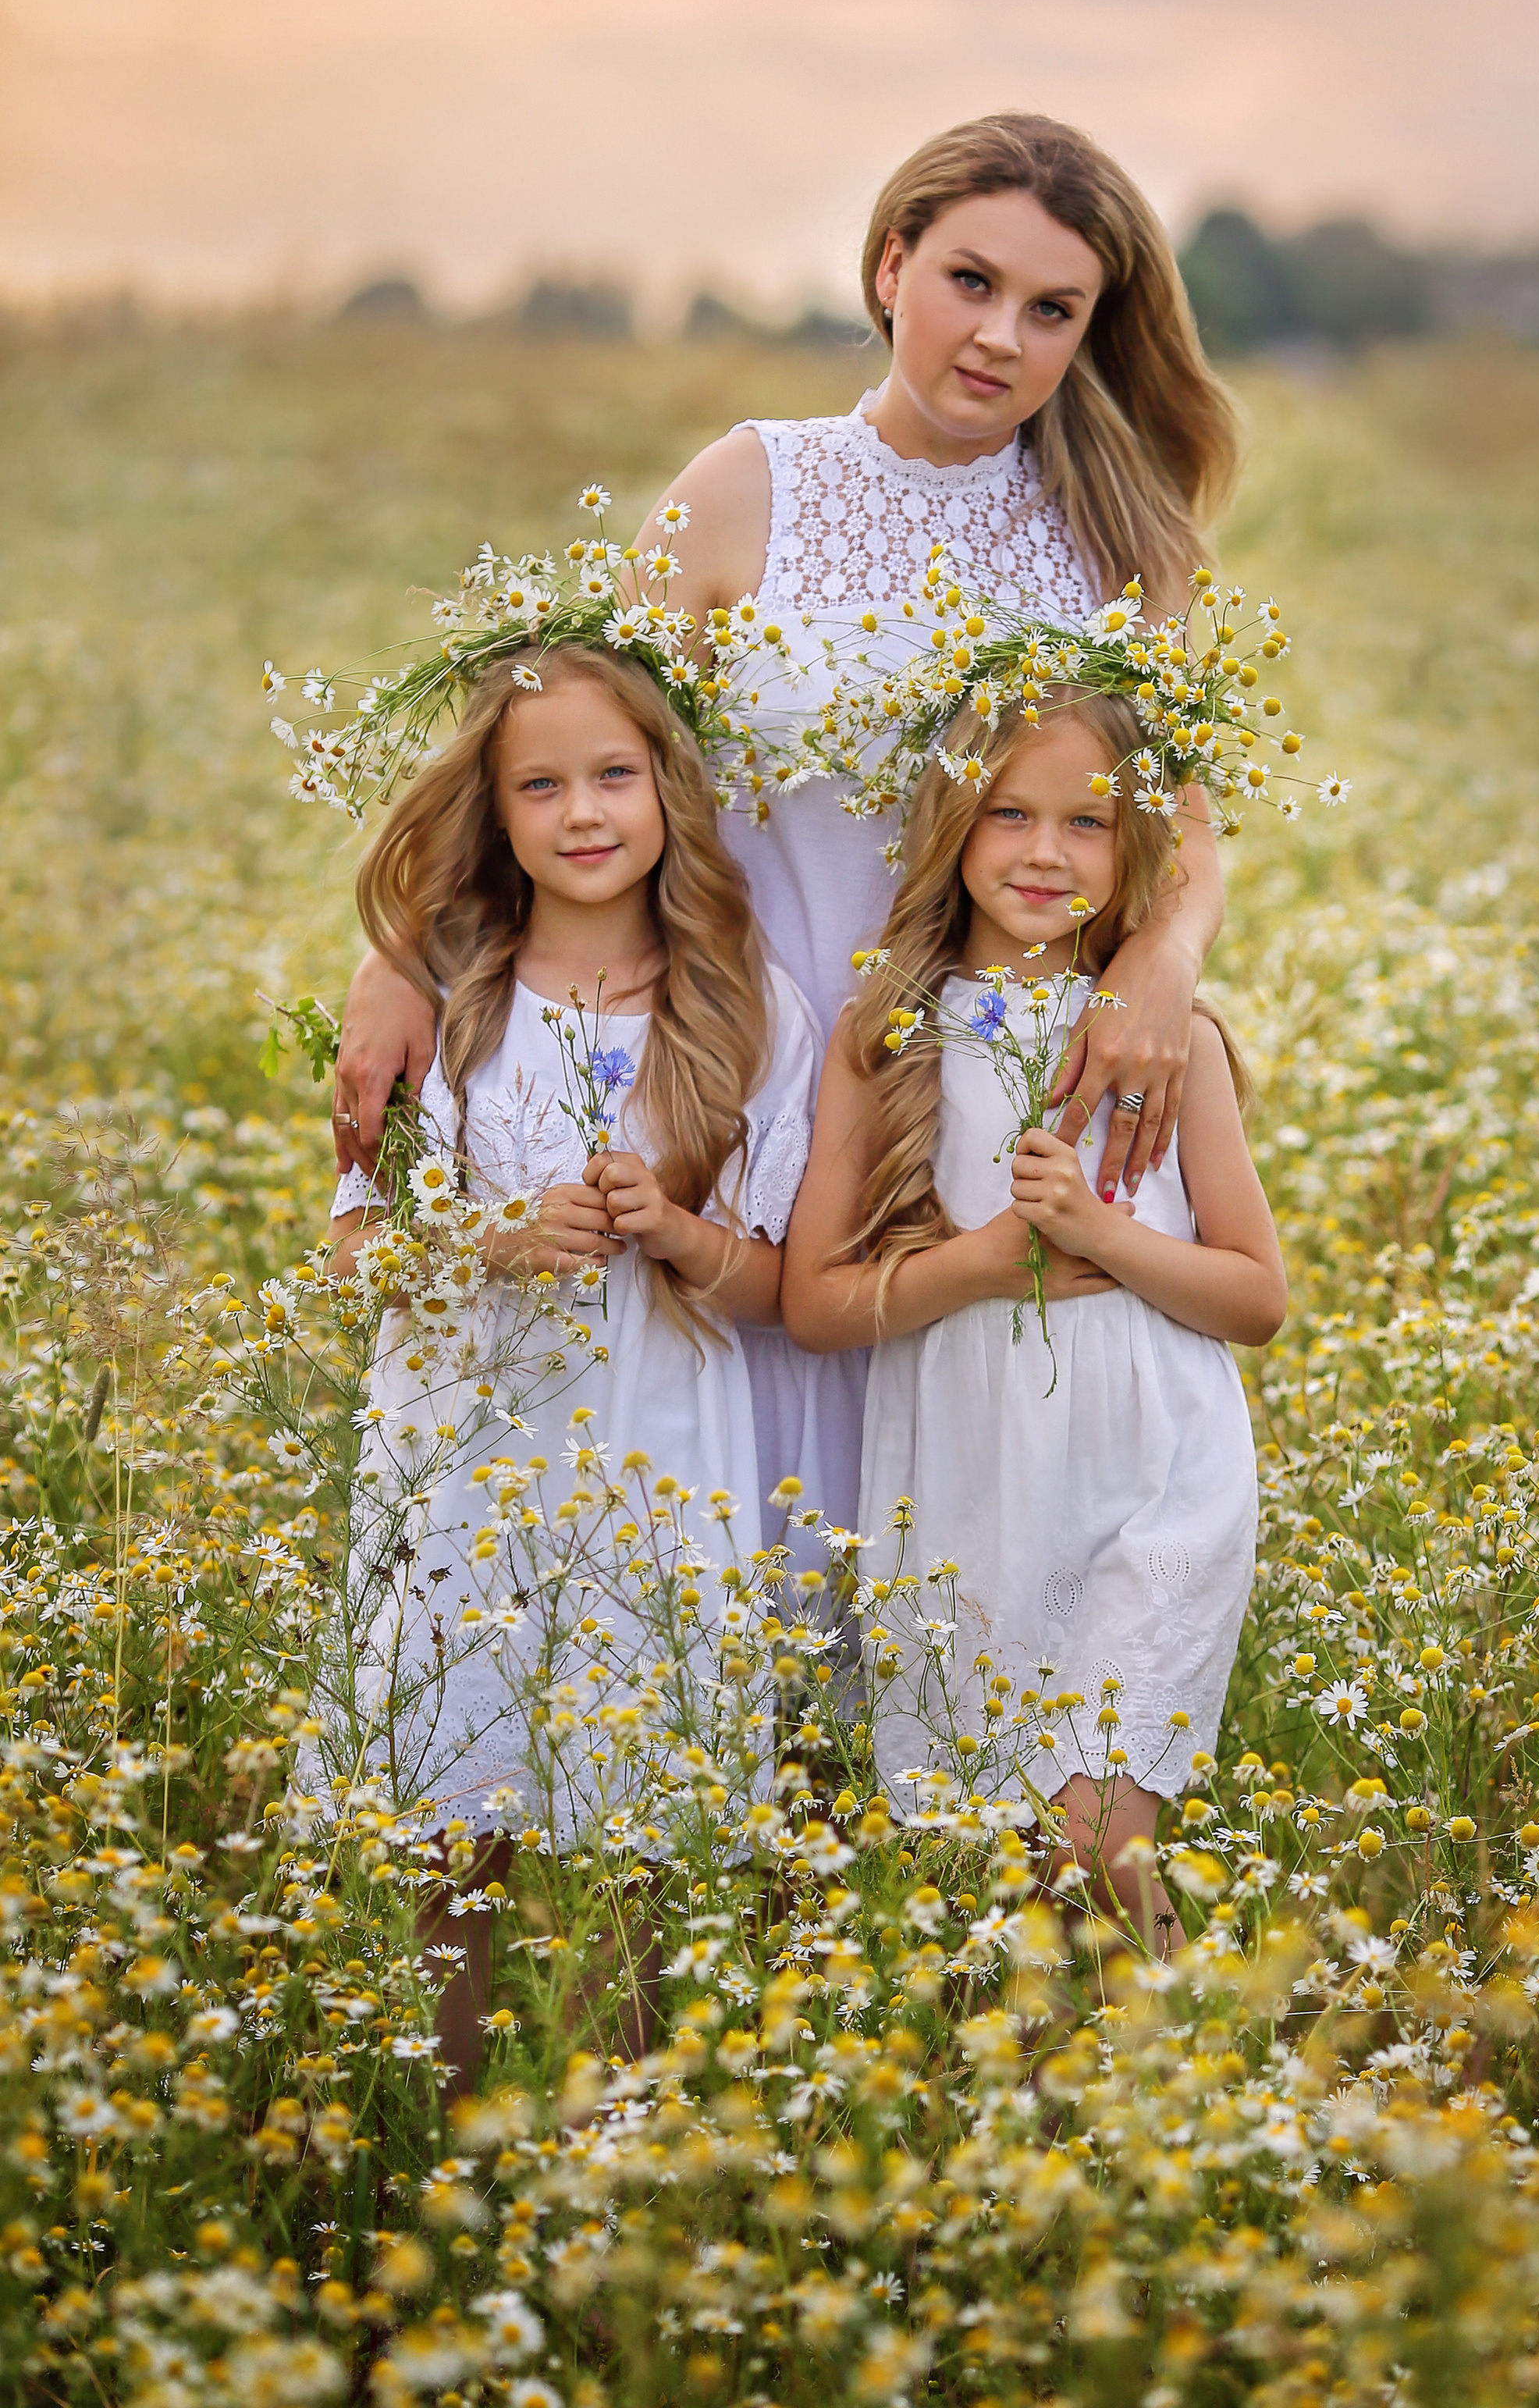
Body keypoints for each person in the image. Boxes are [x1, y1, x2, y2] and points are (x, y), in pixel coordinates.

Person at [332, 111, 1242, 1550]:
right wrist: (401, 957)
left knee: (971, 1540)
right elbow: (557, 734)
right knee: (730, 1528)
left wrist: (1164, 972)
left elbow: (1177, 835)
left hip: (971, 1091)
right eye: (968, 281)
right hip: (741, 1071)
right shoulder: (749, 487)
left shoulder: (1119, 548)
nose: (1001, 335)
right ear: (891, 267)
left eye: (1051, 309)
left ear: (1088, 331)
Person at [320, 644, 818, 2099]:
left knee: (634, 1845)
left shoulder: (748, 1008)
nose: (582, 812)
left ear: (673, 787)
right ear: (491, 810)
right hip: (463, 1461)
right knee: (453, 1837)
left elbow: (785, 1286)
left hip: (660, 1453)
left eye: (615, 775)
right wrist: (488, 1236)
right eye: (540, 784)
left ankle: (611, 2169)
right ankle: (455, 2141)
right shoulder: (446, 1004)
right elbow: (348, 1254)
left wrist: (675, 1232)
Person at [780, 692, 1285, 1951]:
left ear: (1140, 857)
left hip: (1156, 1472)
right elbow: (816, 1307)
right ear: (951, 824)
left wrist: (1104, 1234)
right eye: (1009, 813)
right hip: (970, 1491)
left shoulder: (1168, 1049)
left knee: (1095, 1836)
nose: (1046, 852)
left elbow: (1257, 1296)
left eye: (1089, 823)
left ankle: (1196, 2100)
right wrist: (986, 1263)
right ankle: (1069, 2128)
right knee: (1009, 1878)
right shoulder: (883, 1039)